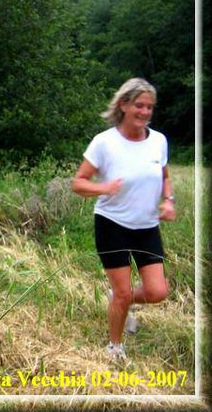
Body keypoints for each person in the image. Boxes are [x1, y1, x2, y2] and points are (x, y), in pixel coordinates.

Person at [71, 78, 176, 361]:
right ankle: (115, 348)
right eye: (139, 105)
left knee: (157, 292)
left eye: (150, 107)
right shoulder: (104, 142)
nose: (145, 112)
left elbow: (165, 177)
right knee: (122, 293)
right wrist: (103, 188)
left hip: (147, 226)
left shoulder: (158, 141)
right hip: (112, 224)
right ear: (123, 105)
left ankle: (122, 299)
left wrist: (169, 200)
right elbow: (78, 182)